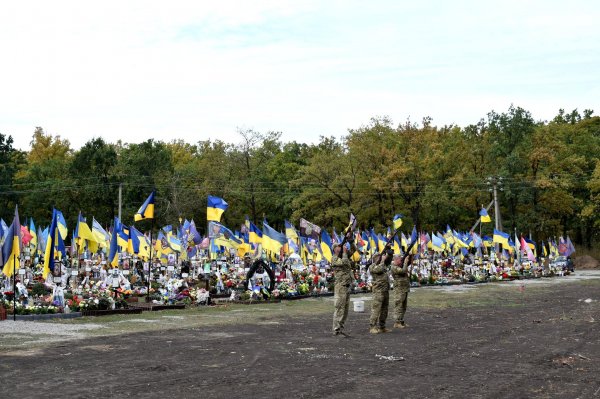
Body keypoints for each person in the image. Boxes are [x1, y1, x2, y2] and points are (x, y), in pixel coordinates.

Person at [331, 235, 356, 337]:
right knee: (339, 308)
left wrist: (351, 242)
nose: (341, 248)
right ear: (335, 250)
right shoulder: (335, 258)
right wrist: (345, 253)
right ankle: (336, 330)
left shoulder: (343, 255)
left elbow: (354, 250)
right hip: (340, 287)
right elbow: (344, 262)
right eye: (339, 247)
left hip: (346, 286)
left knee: (345, 310)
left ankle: (340, 328)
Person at [369, 251, 391, 334]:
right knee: (376, 309)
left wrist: (389, 253)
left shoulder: (383, 265)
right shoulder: (372, 267)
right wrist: (381, 261)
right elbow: (379, 269)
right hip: (378, 291)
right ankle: (372, 326)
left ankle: (382, 326)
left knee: (385, 309)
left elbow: (388, 261)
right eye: (380, 257)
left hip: (385, 290)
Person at [391, 253, 413, 328]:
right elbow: (403, 271)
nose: (401, 261)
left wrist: (409, 256)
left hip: (404, 288)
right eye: (400, 259)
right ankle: (397, 322)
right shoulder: (393, 267)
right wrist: (406, 262)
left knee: (404, 306)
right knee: (399, 305)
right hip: (399, 289)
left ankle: (401, 320)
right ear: (396, 260)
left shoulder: (399, 265)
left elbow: (408, 264)